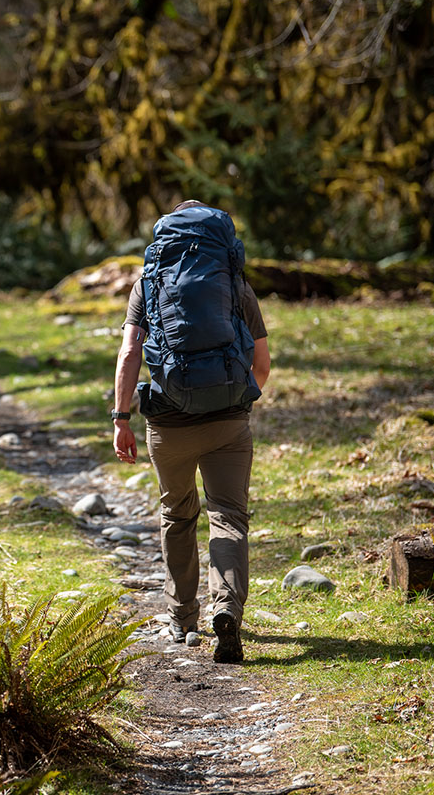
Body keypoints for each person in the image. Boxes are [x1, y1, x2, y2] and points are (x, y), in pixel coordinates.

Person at [111, 200, 270, 664]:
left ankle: (182, 618)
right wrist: (237, 398)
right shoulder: (234, 283)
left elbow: (128, 355)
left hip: (168, 422)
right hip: (228, 421)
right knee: (228, 515)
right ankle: (227, 610)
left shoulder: (150, 281)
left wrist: (122, 419)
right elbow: (261, 364)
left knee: (178, 514)